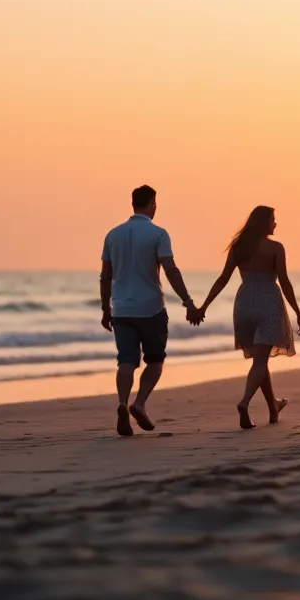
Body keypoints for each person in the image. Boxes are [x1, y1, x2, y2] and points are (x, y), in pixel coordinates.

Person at [100, 185, 201, 436]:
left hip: (121, 309)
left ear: (132, 203)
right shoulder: (158, 234)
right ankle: (140, 403)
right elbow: (170, 269)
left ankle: (123, 403)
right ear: (152, 204)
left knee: (126, 361)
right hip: (151, 309)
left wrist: (105, 308)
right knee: (155, 361)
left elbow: (106, 276)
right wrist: (187, 301)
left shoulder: (113, 235)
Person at [197, 205, 300, 429]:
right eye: (273, 220)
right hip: (267, 302)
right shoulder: (276, 248)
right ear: (263, 222)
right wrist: (297, 312)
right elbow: (284, 281)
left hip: (244, 302)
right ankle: (244, 403)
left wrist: (204, 306)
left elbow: (223, 279)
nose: (275, 224)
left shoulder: (239, 247)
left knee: (260, 359)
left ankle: (273, 406)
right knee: (260, 360)